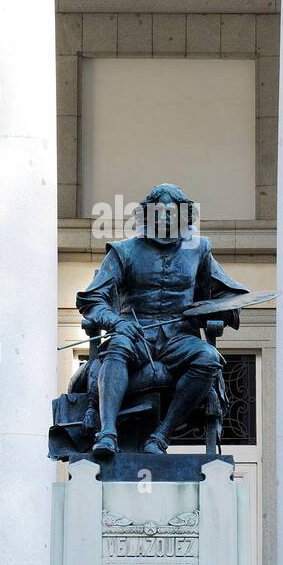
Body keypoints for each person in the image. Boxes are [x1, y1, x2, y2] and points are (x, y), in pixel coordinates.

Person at [76, 183, 249, 458]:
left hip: (180, 338)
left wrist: (220, 310)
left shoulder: (199, 250)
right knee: (118, 346)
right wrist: (115, 322)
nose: (165, 218)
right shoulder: (123, 251)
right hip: (136, 334)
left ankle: (161, 436)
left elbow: (228, 293)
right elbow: (92, 298)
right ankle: (107, 434)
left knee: (208, 357)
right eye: (159, 212)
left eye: (172, 213)